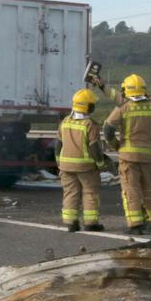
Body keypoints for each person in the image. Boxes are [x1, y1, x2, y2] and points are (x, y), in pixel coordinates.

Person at [103, 74, 151, 234]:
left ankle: (136, 225)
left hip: (128, 157)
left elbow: (108, 129)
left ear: (126, 90)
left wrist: (116, 146)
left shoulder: (123, 107)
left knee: (131, 191)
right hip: (149, 157)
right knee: (150, 190)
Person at [58, 89, 107, 232]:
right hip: (86, 167)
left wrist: (59, 162)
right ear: (88, 106)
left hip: (66, 166)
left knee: (70, 193)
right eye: (92, 104)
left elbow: (58, 144)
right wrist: (100, 163)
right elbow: (94, 147)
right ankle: (91, 223)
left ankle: (71, 222)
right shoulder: (90, 125)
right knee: (90, 193)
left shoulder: (64, 122)